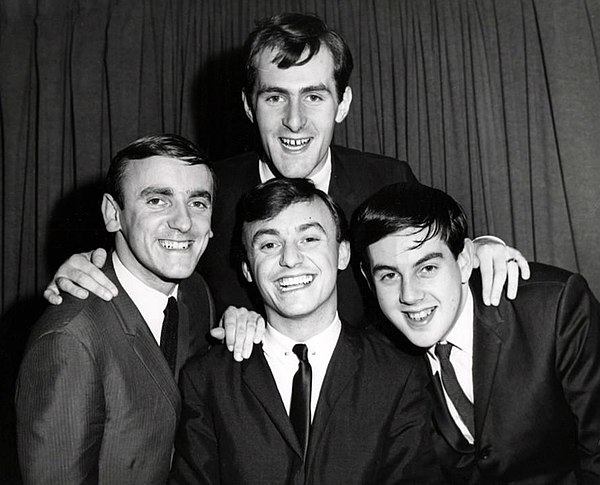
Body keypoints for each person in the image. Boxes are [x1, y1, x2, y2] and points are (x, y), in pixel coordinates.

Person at [43, 13, 528, 357]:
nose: (295, 121)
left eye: (314, 96)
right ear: (250, 106)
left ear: (342, 104)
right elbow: (153, 261)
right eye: (276, 97)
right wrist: (91, 268)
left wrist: (483, 246)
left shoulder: (386, 179)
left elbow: (434, 261)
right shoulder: (207, 194)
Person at [169, 178, 442, 484]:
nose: (290, 258)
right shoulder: (207, 380)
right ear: (246, 267)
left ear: (342, 254)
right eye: (269, 245)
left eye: (309, 239)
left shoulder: (398, 374)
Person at [352, 182, 600, 484]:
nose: (410, 295)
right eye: (390, 275)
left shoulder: (555, 307)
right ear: (368, 280)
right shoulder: (377, 354)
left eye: (427, 268)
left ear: (465, 259)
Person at [16, 135, 217, 484]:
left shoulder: (197, 293)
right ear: (113, 214)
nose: (184, 222)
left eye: (198, 203)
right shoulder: (70, 338)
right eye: (157, 200)